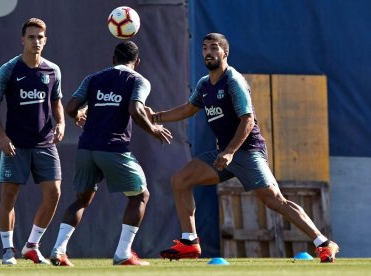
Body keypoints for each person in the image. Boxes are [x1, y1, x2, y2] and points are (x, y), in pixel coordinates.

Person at [150, 33, 339, 263]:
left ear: (225, 53)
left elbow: (247, 120)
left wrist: (230, 152)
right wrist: (156, 116)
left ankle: (324, 243)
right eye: (205, 48)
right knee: (180, 180)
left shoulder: (233, 80)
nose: (208, 52)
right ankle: (190, 243)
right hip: (224, 154)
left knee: (275, 201)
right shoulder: (203, 84)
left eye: (214, 48)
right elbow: (189, 109)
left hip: (248, 151)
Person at [49, 40, 172, 266]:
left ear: (113, 59)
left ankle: (58, 250)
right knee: (140, 196)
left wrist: (78, 115)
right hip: (113, 149)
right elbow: (135, 110)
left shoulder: (93, 78)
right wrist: (153, 128)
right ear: (138, 62)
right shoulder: (139, 80)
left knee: (81, 200)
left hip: (86, 148)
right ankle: (123, 253)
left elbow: (69, 107)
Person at [0, 18, 65, 265]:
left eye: (40, 37)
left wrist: (61, 123)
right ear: (23, 40)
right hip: (16, 144)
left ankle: (32, 245)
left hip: (45, 143)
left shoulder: (52, 70)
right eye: (31, 37)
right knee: (9, 196)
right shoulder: (9, 70)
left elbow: (56, 102)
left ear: (46, 40)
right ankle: (7, 250)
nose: (36, 41)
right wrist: (1, 135)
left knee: (54, 192)